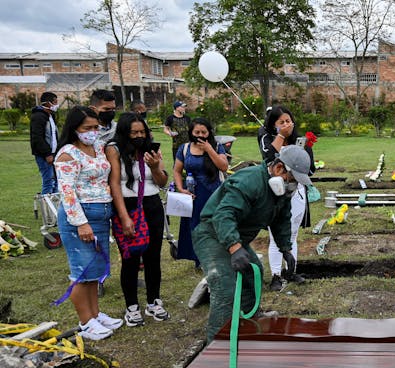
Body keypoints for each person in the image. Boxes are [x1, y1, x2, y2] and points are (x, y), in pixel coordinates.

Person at [192, 145, 312, 341]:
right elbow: (224, 215)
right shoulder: (249, 181)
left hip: (235, 234)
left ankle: (251, 317)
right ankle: (217, 344)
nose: (293, 186)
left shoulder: (280, 191)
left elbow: (282, 218)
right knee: (225, 285)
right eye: (292, 180)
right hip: (212, 233)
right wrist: (235, 248)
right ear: (279, 168)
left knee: (253, 270)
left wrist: (285, 249)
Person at [54, 106, 123, 340]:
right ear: (75, 128)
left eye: (96, 127)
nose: (93, 132)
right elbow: (67, 192)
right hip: (80, 216)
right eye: (87, 128)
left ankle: (95, 314)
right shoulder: (67, 154)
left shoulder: (97, 148)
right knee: (81, 272)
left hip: (101, 212)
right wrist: (81, 223)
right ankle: (85, 322)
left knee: (94, 270)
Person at [107, 113, 170, 327]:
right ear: (125, 132)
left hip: (151, 204)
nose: (139, 136)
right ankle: (132, 307)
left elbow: (162, 181)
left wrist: (154, 166)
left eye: (142, 132)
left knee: (153, 257)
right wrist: (124, 217)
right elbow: (115, 184)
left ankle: (154, 301)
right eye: (134, 132)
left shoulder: (151, 149)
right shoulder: (114, 149)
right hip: (127, 206)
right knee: (131, 258)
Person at [258, 105, 316, 291]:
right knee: (277, 236)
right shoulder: (267, 137)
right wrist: (281, 136)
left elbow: (310, 167)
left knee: (292, 235)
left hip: (297, 192)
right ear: (273, 124)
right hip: (277, 191)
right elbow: (269, 158)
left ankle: (290, 270)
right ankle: (276, 274)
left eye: (288, 121)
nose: (286, 124)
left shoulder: (301, 141)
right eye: (281, 122)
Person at [173, 118, 228, 267]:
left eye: (204, 132)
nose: (200, 135)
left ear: (209, 133)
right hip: (192, 194)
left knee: (212, 225)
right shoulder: (184, 148)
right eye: (196, 132)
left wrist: (209, 150)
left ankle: (215, 257)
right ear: (191, 132)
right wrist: (180, 188)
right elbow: (177, 171)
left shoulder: (217, 147)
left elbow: (223, 166)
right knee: (194, 226)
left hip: (212, 193)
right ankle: (199, 259)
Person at [30, 91, 59, 194]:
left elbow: (53, 136)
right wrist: (47, 154)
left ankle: (55, 206)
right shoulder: (38, 116)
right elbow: (37, 137)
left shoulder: (51, 116)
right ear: (48, 103)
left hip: (53, 153)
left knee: (57, 182)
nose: (56, 105)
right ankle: (46, 207)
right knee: (48, 182)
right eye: (55, 102)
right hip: (44, 155)